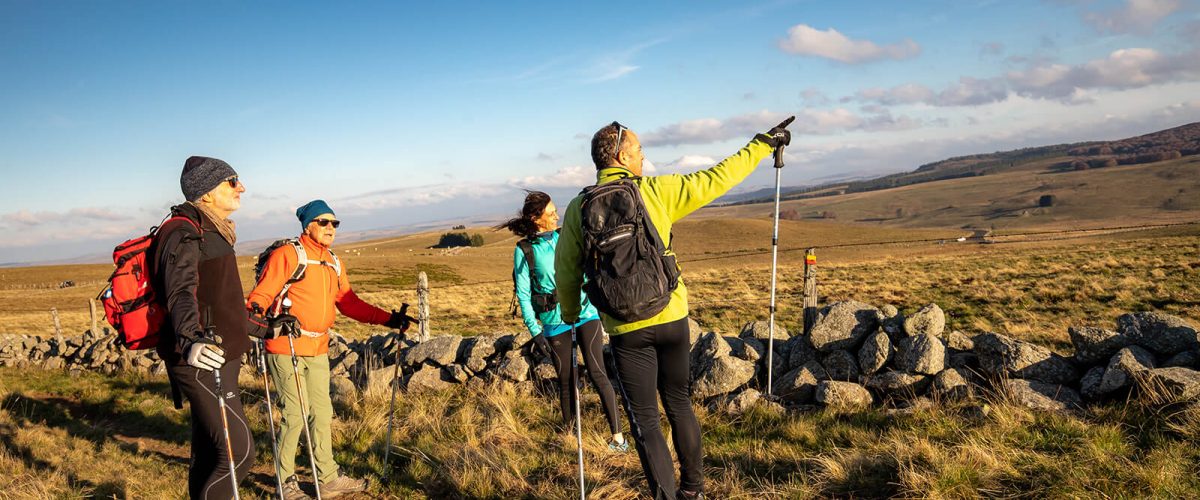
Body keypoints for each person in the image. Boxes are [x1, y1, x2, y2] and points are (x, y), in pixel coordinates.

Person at [555, 119, 792, 499]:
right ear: (622, 155)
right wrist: (762, 144)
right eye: (640, 150)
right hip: (670, 316)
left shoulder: (578, 208)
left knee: (646, 420)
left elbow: (565, 273)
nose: (645, 157)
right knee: (679, 403)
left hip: (624, 328)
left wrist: (569, 314)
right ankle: (694, 490)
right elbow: (718, 177)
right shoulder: (657, 191)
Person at [246, 199, 410, 499]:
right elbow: (262, 293)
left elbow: (349, 302)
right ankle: (286, 482)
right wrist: (257, 312)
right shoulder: (288, 255)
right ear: (308, 225)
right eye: (324, 222)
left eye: (335, 223)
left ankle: (328, 478)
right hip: (286, 346)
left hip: (318, 347)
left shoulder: (333, 261)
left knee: (322, 413)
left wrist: (390, 319)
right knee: (295, 414)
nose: (330, 228)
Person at [153, 156, 264, 499]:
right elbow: (180, 291)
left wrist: (266, 328)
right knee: (239, 456)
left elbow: (220, 303)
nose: (241, 187)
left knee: (208, 454)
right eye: (231, 181)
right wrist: (190, 341)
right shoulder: (184, 231)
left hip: (216, 354)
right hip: (203, 358)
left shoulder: (211, 230)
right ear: (204, 193)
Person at [496, 191, 627, 452]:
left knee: (598, 372)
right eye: (551, 211)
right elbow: (522, 293)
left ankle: (618, 438)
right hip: (554, 322)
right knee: (566, 380)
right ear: (536, 218)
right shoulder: (524, 250)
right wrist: (535, 331)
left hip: (586, 313)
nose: (557, 214)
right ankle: (571, 438)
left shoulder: (564, 236)